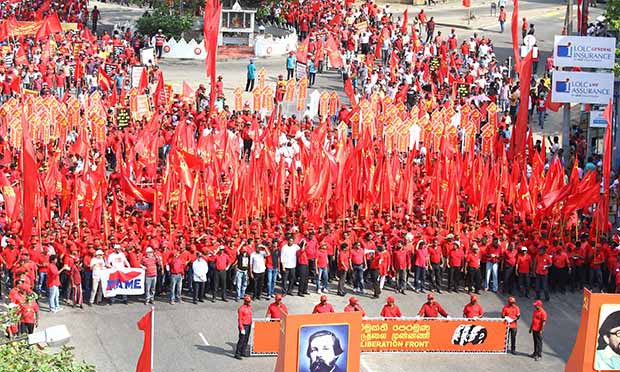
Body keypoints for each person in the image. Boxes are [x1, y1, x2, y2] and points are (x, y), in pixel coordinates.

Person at [234, 295, 253, 360]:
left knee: (246, 339)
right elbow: (240, 319)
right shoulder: (241, 309)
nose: (249, 302)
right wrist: (241, 328)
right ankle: (237, 353)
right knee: (241, 340)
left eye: (249, 301)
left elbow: (250, 316)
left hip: (248, 324)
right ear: (245, 301)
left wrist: (251, 323)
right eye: (248, 301)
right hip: (244, 325)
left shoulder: (249, 307)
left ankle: (243, 351)